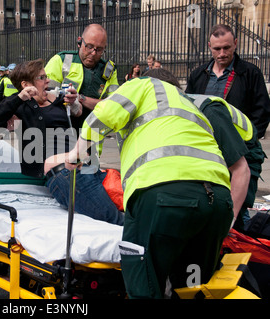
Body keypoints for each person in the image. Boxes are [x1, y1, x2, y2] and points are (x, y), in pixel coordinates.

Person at [66, 75, 233, 298]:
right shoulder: (190, 105)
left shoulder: (144, 84)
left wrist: (77, 152)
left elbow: (104, 114)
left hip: (163, 194)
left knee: (142, 277)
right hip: (217, 203)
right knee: (192, 285)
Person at [0, 59, 123, 226]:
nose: (48, 80)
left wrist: (75, 105)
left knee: (126, 207)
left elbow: (81, 125)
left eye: (46, 76)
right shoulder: (20, 106)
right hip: (63, 172)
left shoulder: (59, 101)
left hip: (88, 166)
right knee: (116, 220)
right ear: (26, 84)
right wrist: (19, 98)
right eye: (42, 77)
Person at [147, 67, 266, 232]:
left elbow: (241, 170)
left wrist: (227, 223)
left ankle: (241, 234)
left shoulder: (208, 112)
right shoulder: (171, 113)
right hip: (218, 149)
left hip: (245, 152)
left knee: (229, 209)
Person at [186, 24, 270, 139]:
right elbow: (188, 107)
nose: (222, 53)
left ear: (235, 43)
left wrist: (249, 141)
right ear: (210, 46)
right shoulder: (198, 74)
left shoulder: (250, 73)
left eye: (226, 48)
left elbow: (262, 111)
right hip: (204, 142)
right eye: (217, 49)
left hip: (239, 146)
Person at [45, 23, 119, 131]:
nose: (93, 53)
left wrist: (80, 98)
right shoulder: (61, 60)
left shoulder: (109, 70)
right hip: (60, 130)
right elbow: (45, 95)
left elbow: (113, 105)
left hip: (92, 133)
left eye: (99, 49)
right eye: (89, 47)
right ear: (79, 41)